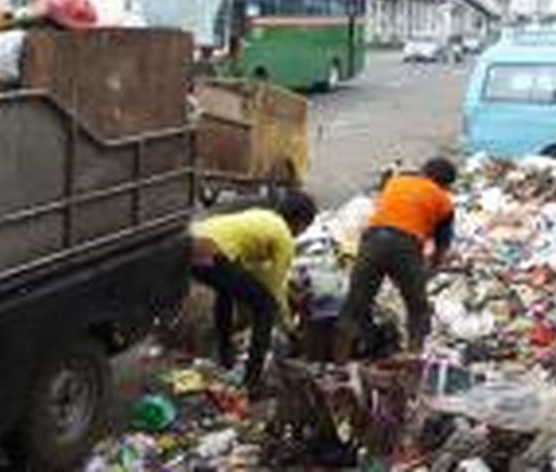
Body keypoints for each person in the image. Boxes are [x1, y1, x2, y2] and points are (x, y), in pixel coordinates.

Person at [190, 190, 317, 391]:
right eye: (305, 228)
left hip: (191, 240)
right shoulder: (284, 237)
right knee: (266, 307)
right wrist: (290, 329)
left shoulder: (263, 217)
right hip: (211, 251)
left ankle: (226, 356)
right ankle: (253, 381)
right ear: (301, 223)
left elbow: (252, 272)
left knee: (227, 290)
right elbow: (275, 290)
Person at [334, 157, 457, 362]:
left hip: (372, 241)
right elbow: (441, 247)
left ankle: (339, 364)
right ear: (446, 185)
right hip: (406, 246)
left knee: (354, 305)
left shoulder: (396, 182)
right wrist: (429, 271)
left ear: (424, 171)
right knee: (418, 308)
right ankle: (413, 358)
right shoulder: (444, 201)